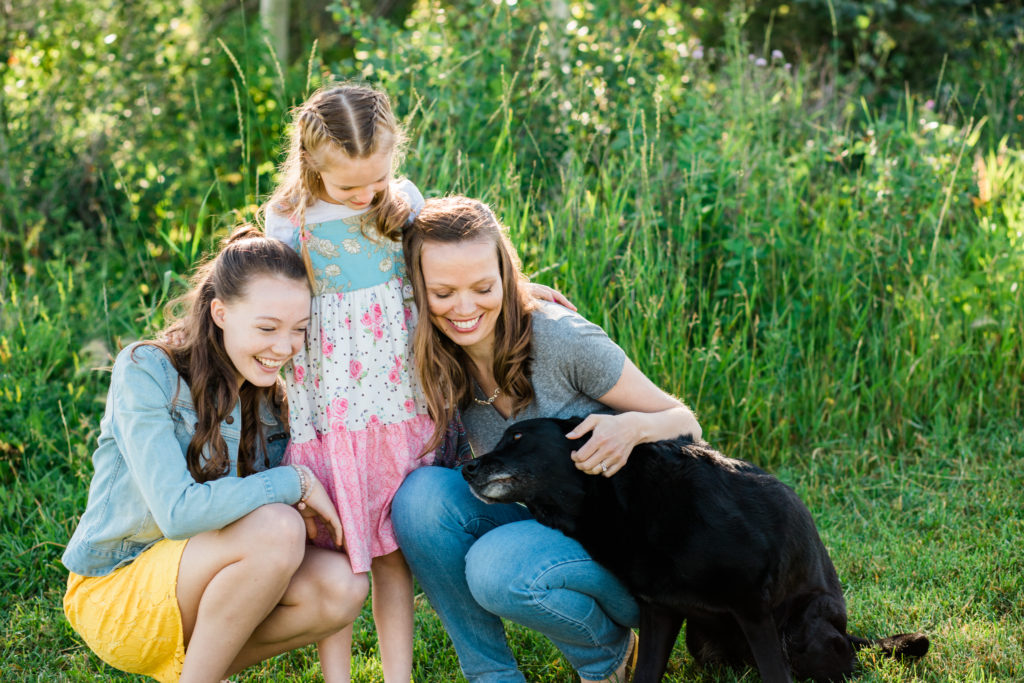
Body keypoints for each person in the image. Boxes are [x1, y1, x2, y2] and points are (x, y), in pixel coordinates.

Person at [262, 83, 572, 681]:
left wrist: (520, 289)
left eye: (375, 179)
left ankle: (397, 675)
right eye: (348, 186)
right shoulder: (290, 220)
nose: (365, 194)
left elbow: (449, 269)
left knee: (395, 554)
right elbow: (271, 297)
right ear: (310, 163)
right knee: (343, 555)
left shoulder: (401, 199)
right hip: (334, 414)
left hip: (404, 405)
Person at [392, 195, 704, 683]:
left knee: (494, 569)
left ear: (505, 274)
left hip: (621, 551)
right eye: (444, 292)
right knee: (418, 500)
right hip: (541, 520)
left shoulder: (561, 339)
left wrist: (630, 427)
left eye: (482, 287)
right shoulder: (440, 352)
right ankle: (491, 675)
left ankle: (607, 660)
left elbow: (685, 422)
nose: (465, 308)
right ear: (417, 289)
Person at [61, 227, 368, 683]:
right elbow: (178, 514)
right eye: (267, 328)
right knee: (277, 526)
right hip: (117, 593)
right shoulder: (147, 371)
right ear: (220, 313)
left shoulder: (272, 400)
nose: (283, 348)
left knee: (343, 586)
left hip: (196, 588)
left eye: (298, 330)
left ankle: (201, 672)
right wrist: (293, 484)